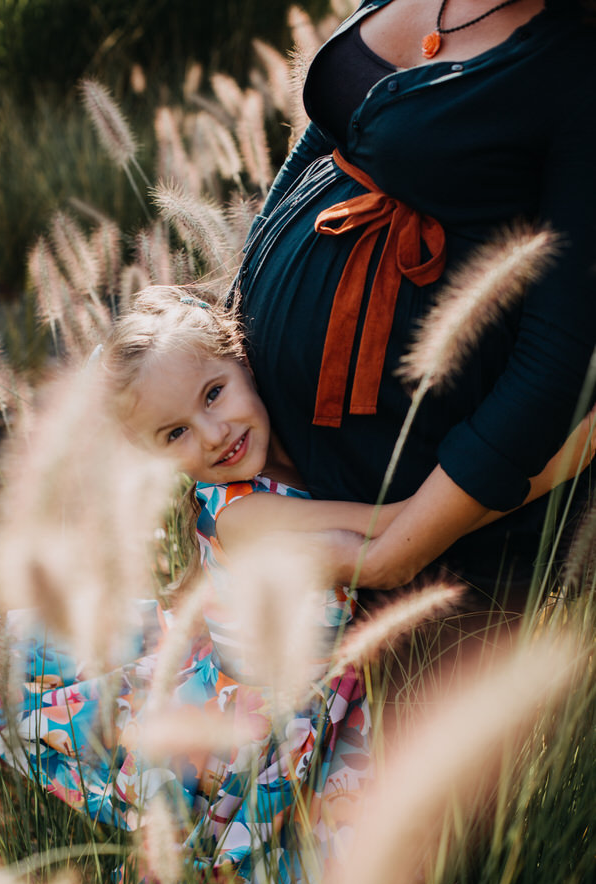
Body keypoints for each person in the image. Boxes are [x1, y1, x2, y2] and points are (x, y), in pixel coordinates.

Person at [0, 285, 593, 884]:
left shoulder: (288, 454)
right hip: (261, 715)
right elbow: (396, 537)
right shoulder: (248, 515)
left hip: (308, 675)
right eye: (175, 433)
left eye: (212, 393)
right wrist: (557, 463)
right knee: (338, 881)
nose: (213, 434)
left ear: (244, 361)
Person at [234, 0, 596, 616]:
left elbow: (556, 362)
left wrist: (397, 552)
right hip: (286, 465)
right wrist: (238, 324)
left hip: (418, 520)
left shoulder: (577, 64)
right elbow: (328, 130)